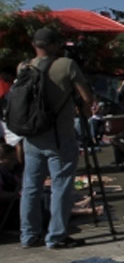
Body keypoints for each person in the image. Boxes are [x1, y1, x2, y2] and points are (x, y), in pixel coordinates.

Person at [19, 27, 94, 249]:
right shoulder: (66, 65)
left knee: (31, 187)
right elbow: (86, 98)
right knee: (60, 186)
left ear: (34, 45)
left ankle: (28, 235)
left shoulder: (24, 67)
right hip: (59, 136)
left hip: (31, 136)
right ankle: (56, 236)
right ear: (54, 45)